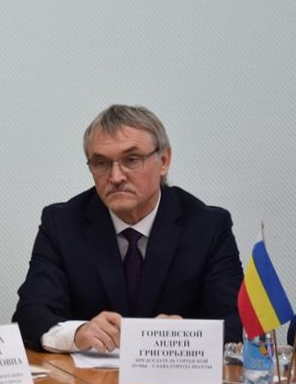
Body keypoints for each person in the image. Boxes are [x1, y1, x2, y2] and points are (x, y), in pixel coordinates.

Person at [12, 105, 243, 353]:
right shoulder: (63, 223)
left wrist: (187, 335)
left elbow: (237, 322)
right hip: (89, 375)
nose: (116, 177)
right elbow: (30, 315)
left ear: (164, 161)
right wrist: (77, 333)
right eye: (101, 163)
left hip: (175, 375)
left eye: (131, 160)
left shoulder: (207, 226)